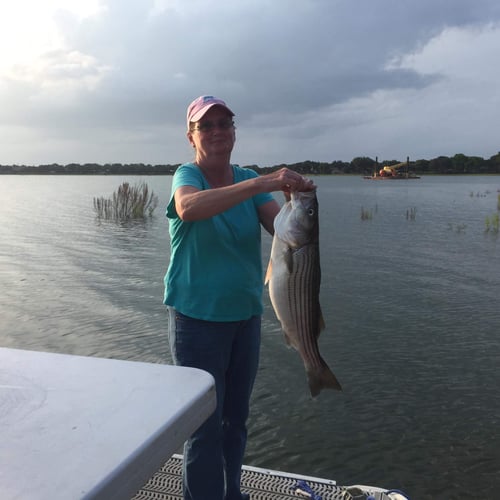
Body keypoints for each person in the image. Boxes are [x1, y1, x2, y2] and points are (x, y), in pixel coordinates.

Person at [164, 95, 315, 500]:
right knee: (203, 428)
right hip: (196, 322)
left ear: (234, 132)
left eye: (225, 123)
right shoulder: (187, 175)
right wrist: (262, 182)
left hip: (244, 318)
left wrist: (298, 202)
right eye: (206, 125)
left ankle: (232, 494)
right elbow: (189, 208)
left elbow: (280, 228)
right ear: (191, 136)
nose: (217, 131)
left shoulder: (247, 179)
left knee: (236, 420)